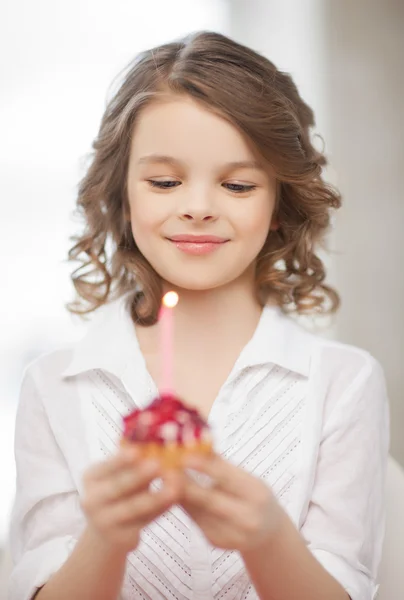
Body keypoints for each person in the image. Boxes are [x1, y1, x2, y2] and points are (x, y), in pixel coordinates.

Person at [8, 31, 389, 600]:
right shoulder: (53, 387)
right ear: (123, 193)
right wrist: (105, 539)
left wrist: (269, 540)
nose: (199, 206)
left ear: (280, 205)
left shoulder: (343, 383)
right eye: (164, 181)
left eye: (237, 184)